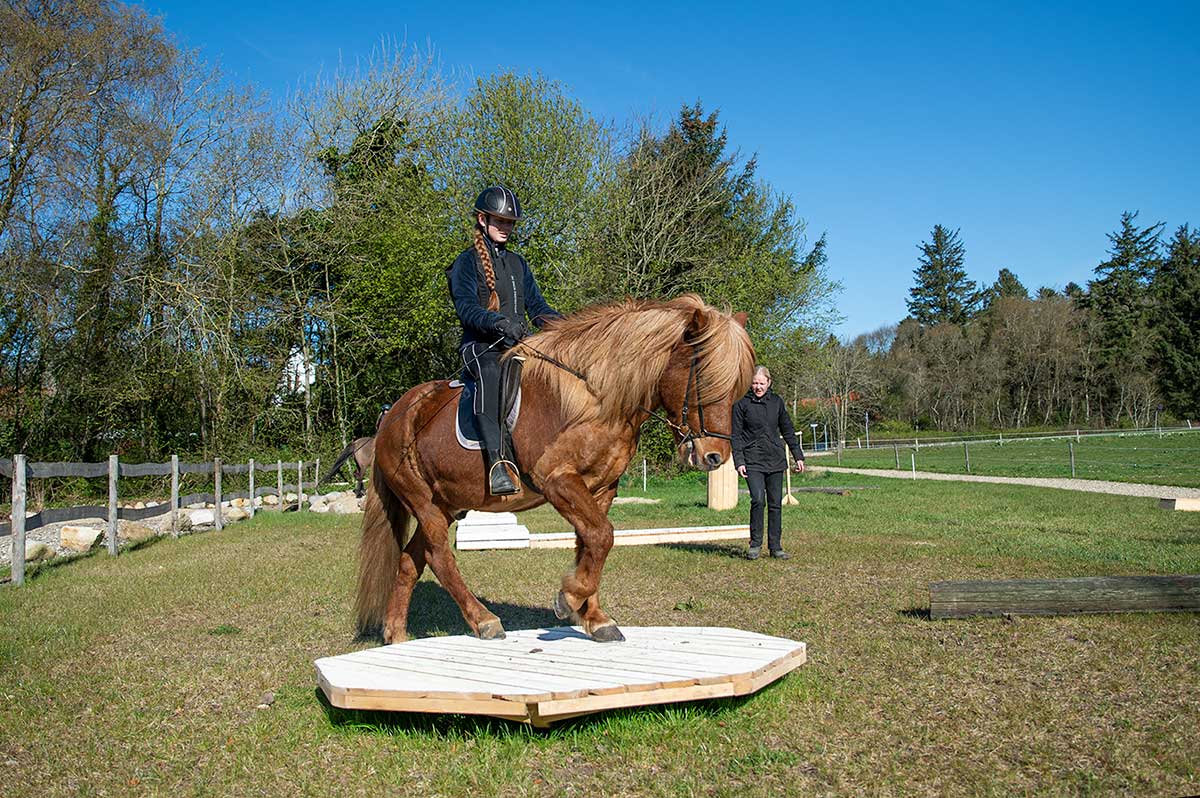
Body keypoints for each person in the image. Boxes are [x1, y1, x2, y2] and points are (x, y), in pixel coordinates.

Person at [446, 185, 561, 496]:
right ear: (483, 220)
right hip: (479, 347)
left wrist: (568, 327)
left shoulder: (518, 264)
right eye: (500, 221)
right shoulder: (466, 262)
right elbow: (466, 309)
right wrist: (497, 322)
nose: (506, 228)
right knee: (493, 371)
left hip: (516, 346)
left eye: (510, 223)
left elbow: (537, 308)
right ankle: (498, 463)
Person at [731, 365, 805, 560]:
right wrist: (739, 461)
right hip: (752, 460)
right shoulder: (741, 404)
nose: (758, 387)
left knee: (775, 504)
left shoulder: (777, 402)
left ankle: (775, 547)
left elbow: (787, 430)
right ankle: (755, 544)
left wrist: (798, 455)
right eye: (755, 383)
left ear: (769, 383)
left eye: (761, 383)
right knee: (757, 500)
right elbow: (736, 435)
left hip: (775, 459)